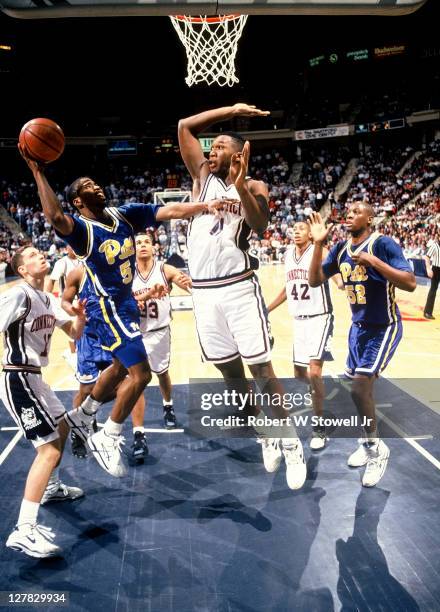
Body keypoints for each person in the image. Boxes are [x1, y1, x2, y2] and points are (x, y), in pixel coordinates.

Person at [19, 145, 225, 478]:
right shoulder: (83, 231)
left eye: (95, 183)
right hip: (105, 305)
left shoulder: (124, 214)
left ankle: (83, 415)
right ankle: (109, 435)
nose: (96, 186)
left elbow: (169, 210)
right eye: (87, 187)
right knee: (140, 374)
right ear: (78, 202)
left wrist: (205, 205)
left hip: (125, 303)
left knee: (117, 368)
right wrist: (38, 171)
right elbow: (55, 218)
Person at [178, 103, 306, 490]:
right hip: (203, 292)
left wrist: (239, 184)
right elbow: (185, 123)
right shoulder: (201, 175)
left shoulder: (253, 187)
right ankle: (265, 433)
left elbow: (260, 225)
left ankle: (291, 444)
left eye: (218, 147)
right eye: (210, 147)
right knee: (230, 375)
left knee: (261, 369)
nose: (211, 152)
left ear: (237, 154)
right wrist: (231, 110)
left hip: (238, 286)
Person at [308, 205, 416, 487]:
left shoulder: (383, 244)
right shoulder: (341, 248)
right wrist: (318, 245)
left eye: (357, 210)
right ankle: (368, 441)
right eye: (348, 209)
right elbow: (315, 279)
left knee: (359, 387)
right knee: (359, 392)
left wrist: (374, 262)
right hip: (357, 330)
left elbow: (410, 282)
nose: (349, 212)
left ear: (369, 219)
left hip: (384, 326)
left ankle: (376, 450)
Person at [0, 245, 86, 558]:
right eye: (34, 255)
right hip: (17, 376)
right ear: (22, 269)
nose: (41, 256)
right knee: (47, 450)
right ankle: (24, 529)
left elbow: (74, 333)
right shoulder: (17, 295)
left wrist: (82, 317)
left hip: (36, 377)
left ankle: (50, 488)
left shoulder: (49, 299)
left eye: (41, 253)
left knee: (62, 425)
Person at [267, 221, 343, 450]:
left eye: (301, 228)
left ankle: (319, 426)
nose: (296, 230)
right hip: (299, 321)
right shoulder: (289, 254)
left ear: (311, 233)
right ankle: (318, 391)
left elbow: (337, 277)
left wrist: (341, 282)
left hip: (320, 317)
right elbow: (288, 287)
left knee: (314, 372)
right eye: (294, 228)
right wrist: (267, 308)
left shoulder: (321, 251)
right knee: (299, 373)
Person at [129, 233, 192, 462]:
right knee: (136, 381)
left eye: (146, 242)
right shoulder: (127, 273)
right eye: (138, 243)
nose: (143, 245)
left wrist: (188, 285)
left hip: (159, 331)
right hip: (135, 333)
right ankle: (138, 434)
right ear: (133, 248)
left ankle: (168, 405)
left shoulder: (165, 270)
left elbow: (184, 281)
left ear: (153, 247)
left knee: (162, 373)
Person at [45, 243, 81, 370]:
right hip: (68, 302)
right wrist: (47, 299)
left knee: (82, 331)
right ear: (66, 249)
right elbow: (52, 281)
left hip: (83, 300)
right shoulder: (62, 263)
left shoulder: (83, 260)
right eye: (71, 246)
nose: (74, 248)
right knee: (74, 332)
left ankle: (76, 355)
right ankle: (73, 356)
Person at [423, 235, 440, 319]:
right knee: (433, 290)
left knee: (433, 290)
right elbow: (426, 257)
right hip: (436, 269)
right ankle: (427, 312)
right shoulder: (435, 245)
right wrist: (428, 269)